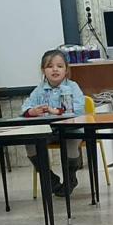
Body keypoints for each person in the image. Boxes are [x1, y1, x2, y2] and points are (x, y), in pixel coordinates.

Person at [21, 49, 85, 196]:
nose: (55, 69)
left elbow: (79, 108)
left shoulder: (73, 87)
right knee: (30, 143)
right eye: (50, 66)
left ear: (66, 70)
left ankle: (70, 178)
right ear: (43, 70)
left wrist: (58, 111)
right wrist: (32, 111)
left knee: (71, 143)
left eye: (59, 66)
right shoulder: (39, 90)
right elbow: (25, 106)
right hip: (48, 131)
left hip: (71, 130)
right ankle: (50, 179)